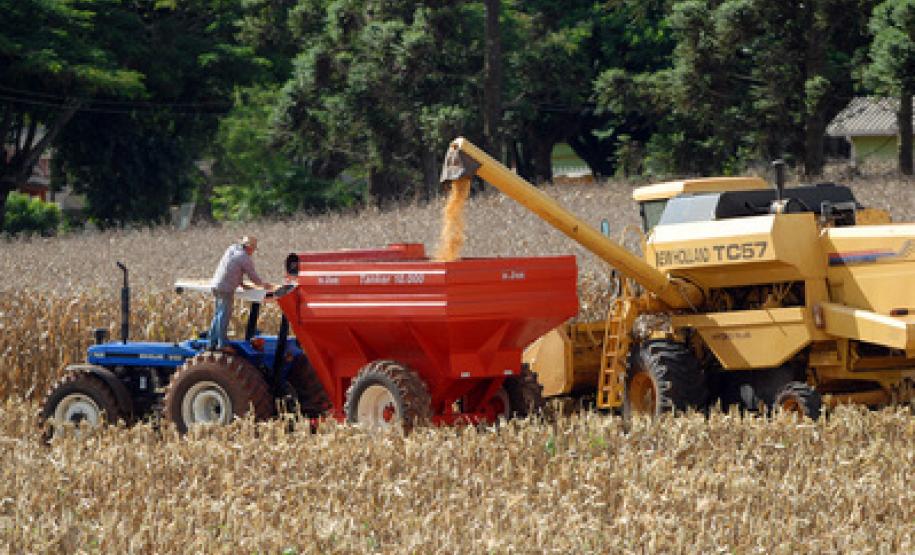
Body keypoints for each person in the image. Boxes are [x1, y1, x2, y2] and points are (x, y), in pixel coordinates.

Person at [208, 236, 272, 351]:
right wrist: (263, 285)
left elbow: (231, 269)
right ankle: (222, 344)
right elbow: (253, 276)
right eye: (253, 249)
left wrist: (241, 283)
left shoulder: (232, 249)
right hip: (226, 288)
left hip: (216, 285)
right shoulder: (244, 258)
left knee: (218, 314)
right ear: (249, 248)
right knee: (224, 315)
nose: (253, 252)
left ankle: (211, 343)